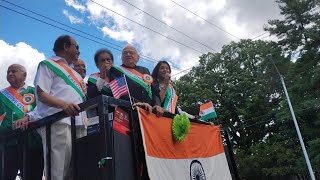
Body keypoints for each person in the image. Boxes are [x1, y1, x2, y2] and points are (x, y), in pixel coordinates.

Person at [33, 35, 87, 180]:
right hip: (58, 123)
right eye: (76, 47)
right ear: (66, 46)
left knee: (76, 172)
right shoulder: (48, 64)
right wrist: (64, 105)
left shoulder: (76, 75)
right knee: (57, 172)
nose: (78, 51)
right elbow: (41, 93)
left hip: (79, 125)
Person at [0, 64, 43, 180]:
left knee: (32, 175)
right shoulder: (1, 94)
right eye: (8, 72)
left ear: (24, 75)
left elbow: (42, 110)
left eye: (14, 71)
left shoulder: (34, 91)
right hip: (7, 143)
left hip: (32, 141)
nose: (10, 74)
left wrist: (28, 118)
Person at [108, 44, 163, 115]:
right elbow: (120, 92)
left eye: (131, 52)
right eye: (125, 53)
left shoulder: (145, 70)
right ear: (121, 58)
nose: (128, 54)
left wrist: (157, 105)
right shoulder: (116, 70)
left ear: (138, 57)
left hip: (149, 113)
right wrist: (136, 102)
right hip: (128, 111)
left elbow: (154, 91)